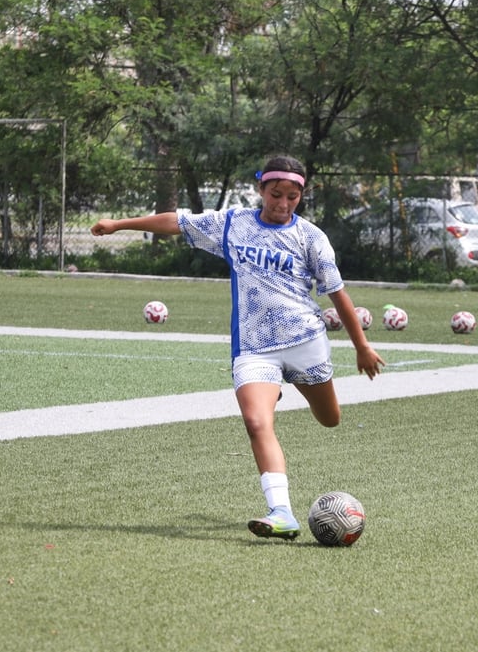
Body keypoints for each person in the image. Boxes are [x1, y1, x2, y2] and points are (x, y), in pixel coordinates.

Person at [91, 155, 385, 540]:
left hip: (305, 342)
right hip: (254, 349)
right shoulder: (233, 223)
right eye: (275, 194)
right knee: (256, 421)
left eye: (292, 197)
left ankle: (290, 389)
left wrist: (361, 346)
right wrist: (118, 224)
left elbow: (337, 294)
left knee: (329, 419)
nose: (282, 203)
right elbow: (177, 222)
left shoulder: (311, 237)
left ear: (302, 196)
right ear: (260, 188)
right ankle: (281, 512)